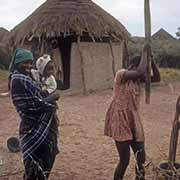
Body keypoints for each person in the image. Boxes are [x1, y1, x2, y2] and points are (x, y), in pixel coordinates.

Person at [104, 44, 160, 180]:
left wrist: (151, 61)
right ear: (131, 66)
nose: (140, 71)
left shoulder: (138, 79)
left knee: (141, 158)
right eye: (137, 68)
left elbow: (157, 78)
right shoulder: (121, 75)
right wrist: (145, 53)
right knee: (124, 161)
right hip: (120, 119)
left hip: (133, 119)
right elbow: (140, 71)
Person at [9, 48, 59, 180]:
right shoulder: (20, 79)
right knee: (33, 166)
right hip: (32, 127)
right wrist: (53, 98)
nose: (28, 66)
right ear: (17, 63)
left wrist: (49, 99)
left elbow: (39, 98)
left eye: (30, 63)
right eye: (25, 63)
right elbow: (37, 103)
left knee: (45, 159)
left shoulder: (28, 79)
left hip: (40, 127)